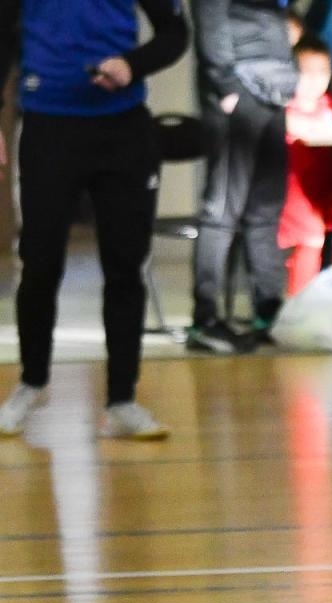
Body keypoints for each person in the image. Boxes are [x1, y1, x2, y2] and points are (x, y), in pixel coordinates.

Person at [0, 0, 189, 440]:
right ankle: (32, 382)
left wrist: (130, 64)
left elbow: (175, 34)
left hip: (123, 131)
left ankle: (122, 399)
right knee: (40, 262)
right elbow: (4, 36)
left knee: (126, 266)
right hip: (49, 128)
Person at [189, 0, 298, 354]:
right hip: (238, 89)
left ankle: (268, 312)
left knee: (266, 210)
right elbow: (210, 14)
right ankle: (205, 321)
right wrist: (226, 84)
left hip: (274, 90)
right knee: (221, 211)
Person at [279, 34, 332, 296]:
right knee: (310, 239)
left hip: (326, 188)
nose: (316, 79)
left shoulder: (328, 105)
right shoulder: (286, 109)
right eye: (307, 72)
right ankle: (300, 303)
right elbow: (298, 128)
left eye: (323, 71)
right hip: (296, 194)